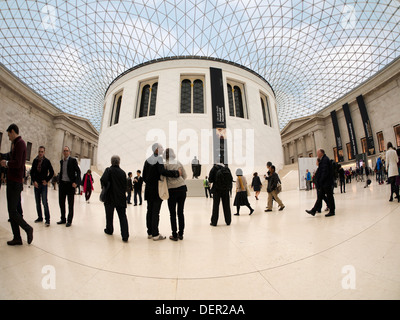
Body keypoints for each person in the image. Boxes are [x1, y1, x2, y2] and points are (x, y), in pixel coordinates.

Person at [0, 124, 33, 245]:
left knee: (12, 211)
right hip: (13, 181)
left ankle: (27, 228)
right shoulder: (16, 144)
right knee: (14, 210)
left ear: (13, 132)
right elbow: (10, 156)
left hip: (15, 182)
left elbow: (18, 163)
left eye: (9, 135)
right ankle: (17, 237)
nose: (8, 138)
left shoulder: (20, 144)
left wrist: (7, 163)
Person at [143, 143, 181, 241]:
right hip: (156, 190)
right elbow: (162, 172)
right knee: (156, 212)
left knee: (149, 211)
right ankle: (156, 234)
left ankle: (150, 232)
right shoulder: (159, 159)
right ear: (156, 149)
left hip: (148, 190)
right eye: (161, 147)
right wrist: (176, 173)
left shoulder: (147, 160)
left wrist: (150, 183)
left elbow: (144, 176)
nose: (162, 149)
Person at [101, 155, 129, 242]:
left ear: (111, 162)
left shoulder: (108, 170)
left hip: (110, 197)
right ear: (119, 162)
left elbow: (103, 180)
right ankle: (125, 235)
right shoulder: (123, 173)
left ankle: (109, 230)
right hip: (120, 198)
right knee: (122, 216)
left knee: (109, 215)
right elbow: (126, 186)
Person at [164, 148, 187, 241]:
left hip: (172, 190)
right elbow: (184, 175)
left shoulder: (165, 165)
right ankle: (181, 234)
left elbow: (163, 178)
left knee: (172, 213)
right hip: (182, 188)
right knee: (180, 212)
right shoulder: (178, 163)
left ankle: (174, 234)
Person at [306, 149, 335, 217]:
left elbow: (324, 172)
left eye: (318, 153)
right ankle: (314, 210)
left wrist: (321, 181)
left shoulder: (325, 160)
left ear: (321, 153)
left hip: (326, 183)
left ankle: (332, 211)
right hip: (324, 183)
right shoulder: (323, 159)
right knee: (320, 197)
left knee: (329, 197)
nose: (317, 154)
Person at [30, 146, 54, 226]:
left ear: (44, 152)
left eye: (42, 152)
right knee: (37, 202)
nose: (40, 153)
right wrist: (34, 181)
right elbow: (32, 172)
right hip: (37, 184)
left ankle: (47, 219)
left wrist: (46, 180)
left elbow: (51, 172)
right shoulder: (35, 161)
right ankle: (40, 217)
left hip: (43, 185)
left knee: (44, 202)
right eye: (39, 151)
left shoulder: (47, 161)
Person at [57, 146, 81, 227]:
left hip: (70, 185)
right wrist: (59, 181)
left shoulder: (73, 160)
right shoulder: (61, 161)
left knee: (70, 203)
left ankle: (69, 220)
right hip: (62, 184)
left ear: (69, 152)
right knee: (61, 202)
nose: (65, 152)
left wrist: (76, 182)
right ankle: (63, 219)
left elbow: (78, 171)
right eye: (64, 151)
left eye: (67, 151)